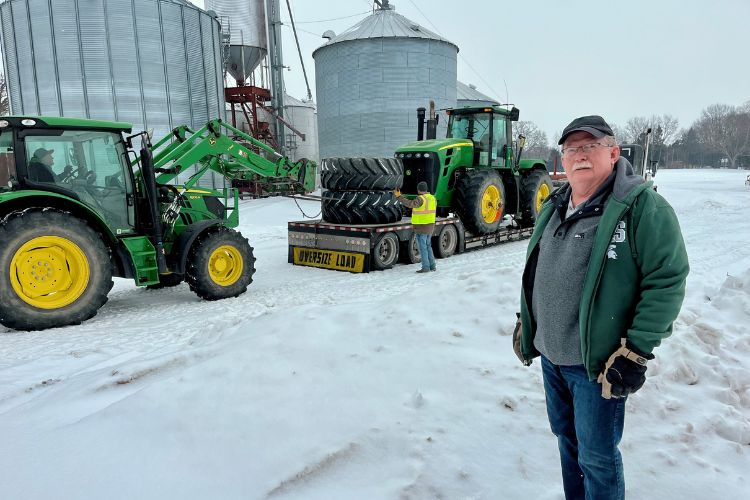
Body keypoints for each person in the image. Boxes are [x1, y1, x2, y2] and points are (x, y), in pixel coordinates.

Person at [514, 115, 689, 499]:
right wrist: (529, 322)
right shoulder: (555, 204)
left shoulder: (642, 208)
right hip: (552, 358)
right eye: (571, 148)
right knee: (567, 442)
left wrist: (637, 351)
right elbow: (542, 271)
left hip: (598, 365)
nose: (579, 155)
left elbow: (667, 279)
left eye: (589, 146)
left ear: (613, 152)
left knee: (596, 456)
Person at [395, 181, 437, 273]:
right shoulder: (432, 198)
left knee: (423, 248)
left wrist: (399, 197)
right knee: (428, 246)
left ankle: (425, 267)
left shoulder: (420, 199)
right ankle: (432, 266)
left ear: (419, 189)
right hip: (430, 226)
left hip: (422, 227)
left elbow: (410, 204)